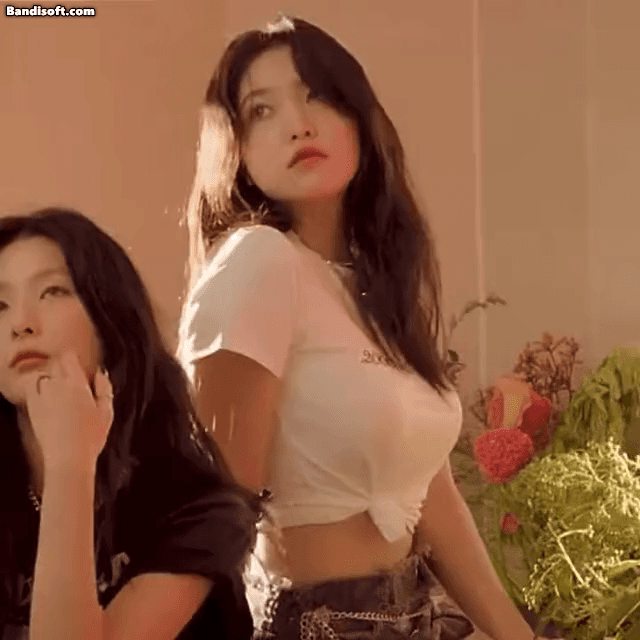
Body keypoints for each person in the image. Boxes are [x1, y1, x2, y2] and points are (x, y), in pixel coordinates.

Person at [178, 15, 553, 640]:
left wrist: (517, 635)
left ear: (358, 117)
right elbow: (219, 504)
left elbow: (427, 493)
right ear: (236, 150)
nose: (299, 123)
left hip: (414, 615)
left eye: (317, 96)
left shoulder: (379, 290)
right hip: (316, 622)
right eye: (261, 111)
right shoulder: (259, 261)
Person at [0, 208, 261, 640]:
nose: (21, 324)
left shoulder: (193, 508)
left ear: (110, 320)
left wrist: (69, 465)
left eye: (53, 291)